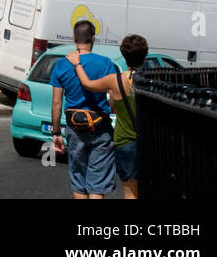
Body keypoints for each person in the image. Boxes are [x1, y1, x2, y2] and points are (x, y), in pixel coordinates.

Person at [67, 33, 147, 199]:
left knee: (131, 191)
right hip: (151, 141)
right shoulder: (154, 79)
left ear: (124, 55)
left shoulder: (115, 80)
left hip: (125, 140)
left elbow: (87, 84)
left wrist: (77, 64)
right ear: (145, 54)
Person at [49, 20, 118, 199]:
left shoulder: (61, 65)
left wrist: (56, 132)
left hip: (74, 129)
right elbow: (114, 99)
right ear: (93, 38)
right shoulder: (105, 63)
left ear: (73, 38)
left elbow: (56, 104)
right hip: (100, 128)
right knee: (97, 184)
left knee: (79, 180)